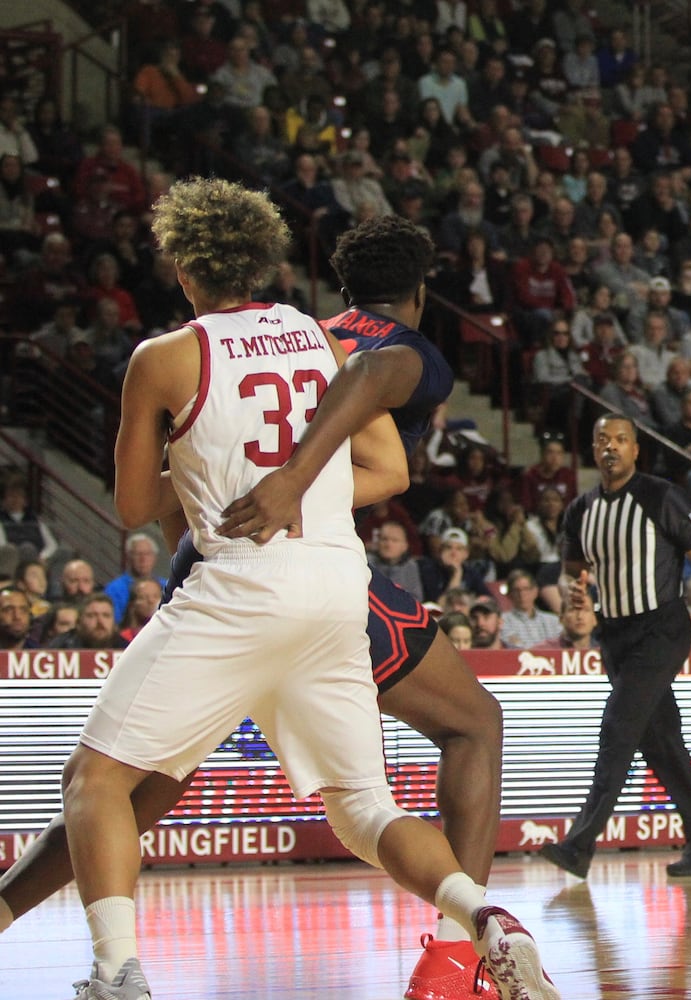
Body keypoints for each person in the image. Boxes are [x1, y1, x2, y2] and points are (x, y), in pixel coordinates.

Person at [22, 179, 556, 1000]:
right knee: (363, 810)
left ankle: (117, 973)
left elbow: (131, 507)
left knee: (98, 783)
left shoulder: (163, 355)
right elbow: (385, 469)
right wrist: (292, 482)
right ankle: (479, 912)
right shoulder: (319, 340)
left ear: (181, 265)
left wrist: (202, 471)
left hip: (236, 588)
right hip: (336, 588)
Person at [536, 413, 691, 879]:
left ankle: (580, 844)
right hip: (616, 636)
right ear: (592, 447)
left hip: (662, 629)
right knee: (663, 746)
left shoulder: (660, 496)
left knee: (617, 730)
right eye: (602, 439)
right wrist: (578, 590)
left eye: (621, 440)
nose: (611, 447)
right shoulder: (581, 510)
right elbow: (573, 569)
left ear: (635, 449)